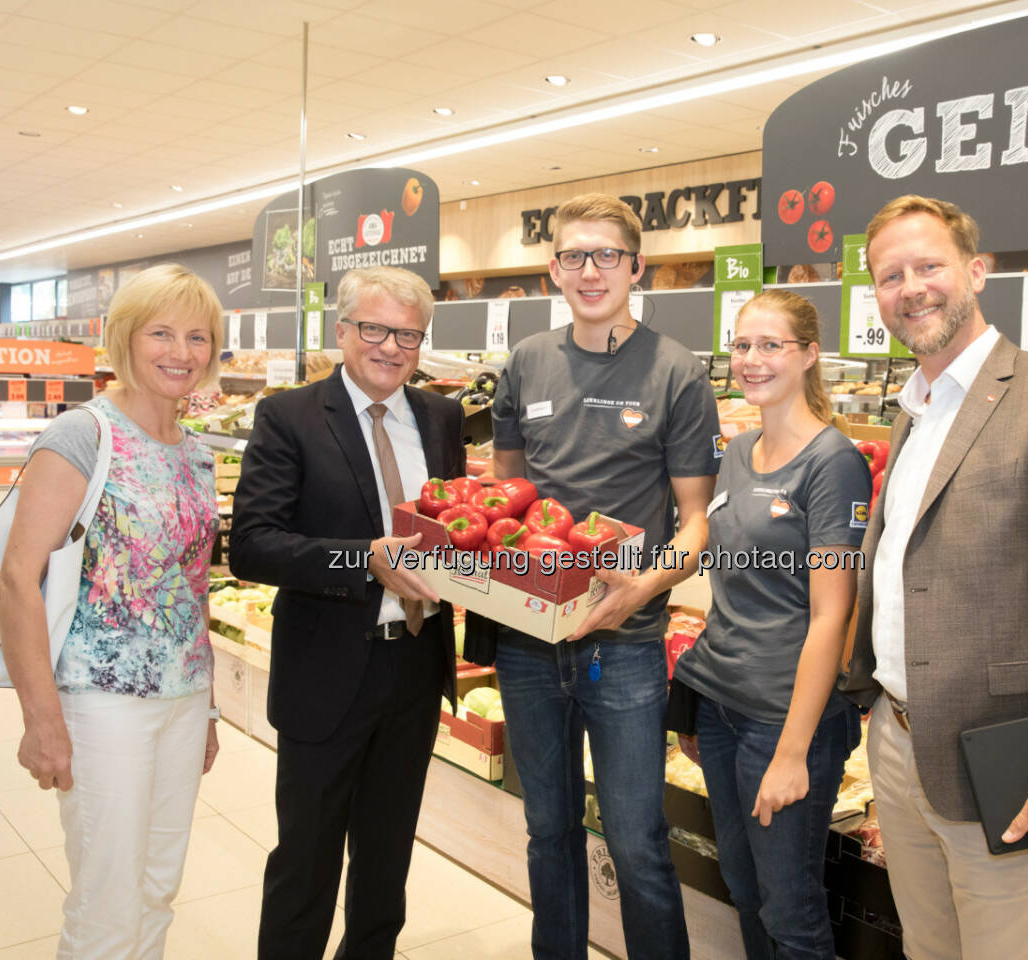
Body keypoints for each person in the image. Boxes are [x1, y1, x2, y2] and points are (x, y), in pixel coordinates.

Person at [842, 195, 1028, 960]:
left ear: (976, 271)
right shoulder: (912, 410)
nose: (910, 288)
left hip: (1009, 764)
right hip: (903, 748)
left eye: (928, 266)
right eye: (888, 276)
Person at [489, 193, 720, 960]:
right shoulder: (525, 363)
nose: (591, 272)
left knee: (636, 838)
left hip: (624, 645)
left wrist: (641, 587)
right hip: (531, 642)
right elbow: (509, 501)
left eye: (607, 256)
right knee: (547, 829)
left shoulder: (676, 372)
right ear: (554, 268)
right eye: (574, 257)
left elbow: (695, 525)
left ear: (635, 266)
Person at [230, 267, 463, 960]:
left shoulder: (441, 417)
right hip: (327, 671)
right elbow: (254, 547)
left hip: (416, 666)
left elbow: (453, 532)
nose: (391, 347)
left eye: (408, 335)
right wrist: (361, 559)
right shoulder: (290, 416)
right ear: (342, 332)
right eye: (375, 329)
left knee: (386, 863)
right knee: (307, 863)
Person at [0, 263, 224, 958]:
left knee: (157, 884)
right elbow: (16, 582)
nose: (180, 352)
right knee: (106, 898)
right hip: (102, 703)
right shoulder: (82, 436)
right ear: (124, 337)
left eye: (197, 336)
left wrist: (208, 707)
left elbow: (192, 589)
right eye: (161, 332)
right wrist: (42, 721)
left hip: (182, 699)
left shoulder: (198, 454)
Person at [670, 289, 869, 960]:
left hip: (785, 720)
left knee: (792, 911)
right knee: (745, 888)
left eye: (770, 345)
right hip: (723, 706)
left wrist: (791, 752)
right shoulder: (739, 448)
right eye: (742, 345)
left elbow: (831, 615)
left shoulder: (835, 464)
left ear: (810, 355)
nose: (751, 360)